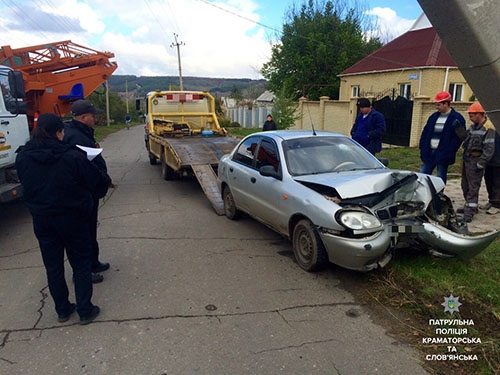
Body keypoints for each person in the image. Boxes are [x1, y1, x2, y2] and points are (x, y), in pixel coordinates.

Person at [15, 113, 110, 324]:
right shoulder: (72, 156)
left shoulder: (22, 157)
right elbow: (98, 182)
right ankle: (85, 310)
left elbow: (26, 185)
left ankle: (63, 309)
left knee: (53, 265)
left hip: (42, 219)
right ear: (58, 132)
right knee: (80, 263)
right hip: (73, 217)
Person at [63, 99, 111, 283]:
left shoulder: (82, 132)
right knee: (83, 231)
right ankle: (84, 272)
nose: (95, 119)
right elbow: (83, 168)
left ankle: (93, 262)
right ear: (83, 117)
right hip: (82, 192)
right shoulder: (76, 137)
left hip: (89, 191)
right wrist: (101, 179)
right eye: (93, 116)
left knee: (90, 228)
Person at [459, 102, 495, 222]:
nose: (470, 117)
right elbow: (466, 138)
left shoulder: (488, 128)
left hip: (476, 161)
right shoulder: (473, 127)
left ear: (479, 114)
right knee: (465, 185)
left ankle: (470, 211)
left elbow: (489, 148)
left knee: (473, 187)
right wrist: (459, 131)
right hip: (467, 159)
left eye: (472, 115)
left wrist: (481, 163)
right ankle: (469, 206)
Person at [419, 91, 466, 184]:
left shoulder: (456, 118)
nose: (437, 107)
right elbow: (425, 132)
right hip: (429, 151)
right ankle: (422, 193)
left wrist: (450, 150)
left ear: (446, 104)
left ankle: (440, 195)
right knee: (423, 174)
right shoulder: (433, 117)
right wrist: (422, 146)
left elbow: (459, 138)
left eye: (438, 105)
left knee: (441, 176)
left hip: (444, 153)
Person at [481, 129, 500, 214]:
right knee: (489, 180)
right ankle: (491, 200)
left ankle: (497, 204)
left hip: (498, 160)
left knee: (497, 183)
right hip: (489, 159)